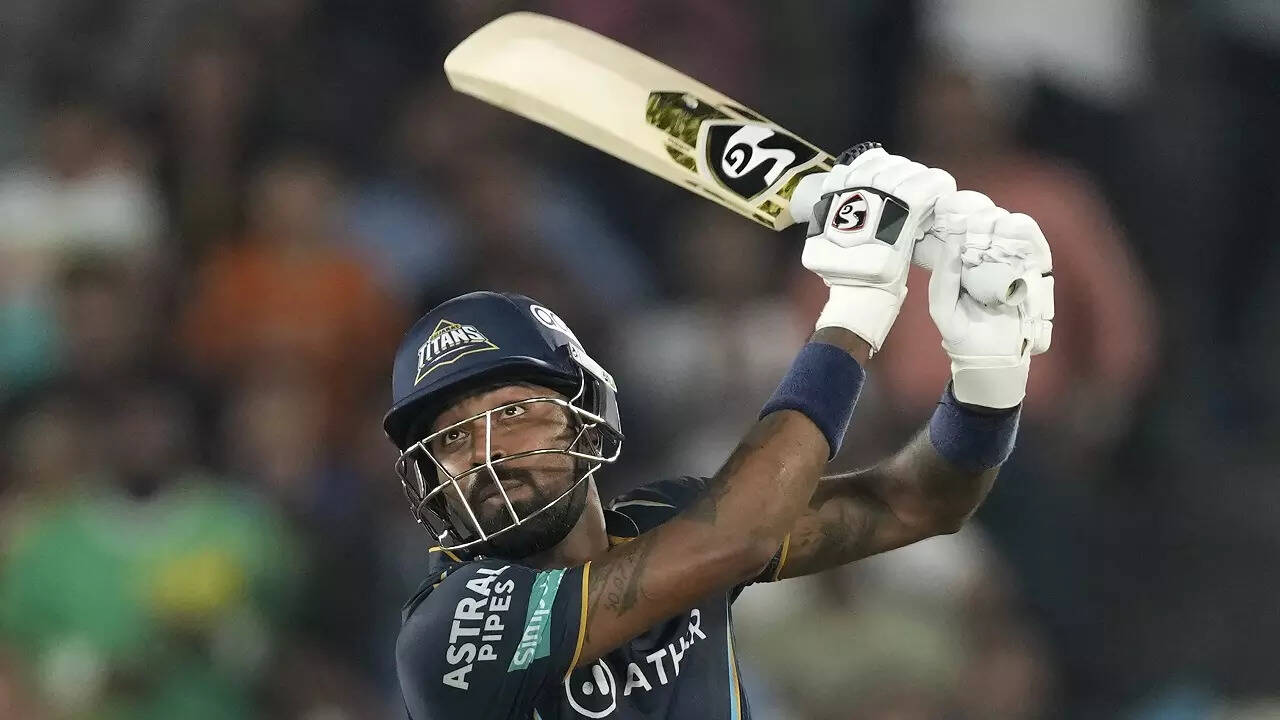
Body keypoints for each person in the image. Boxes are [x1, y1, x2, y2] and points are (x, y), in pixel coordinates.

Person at [385, 147, 1055, 719]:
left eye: (510, 414)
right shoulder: (450, 628)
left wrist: (987, 376)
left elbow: (920, 502)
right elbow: (737, 537)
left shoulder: (670, 523)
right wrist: (856, 305)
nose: (486, 455)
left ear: (585, 416)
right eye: (449, 440)